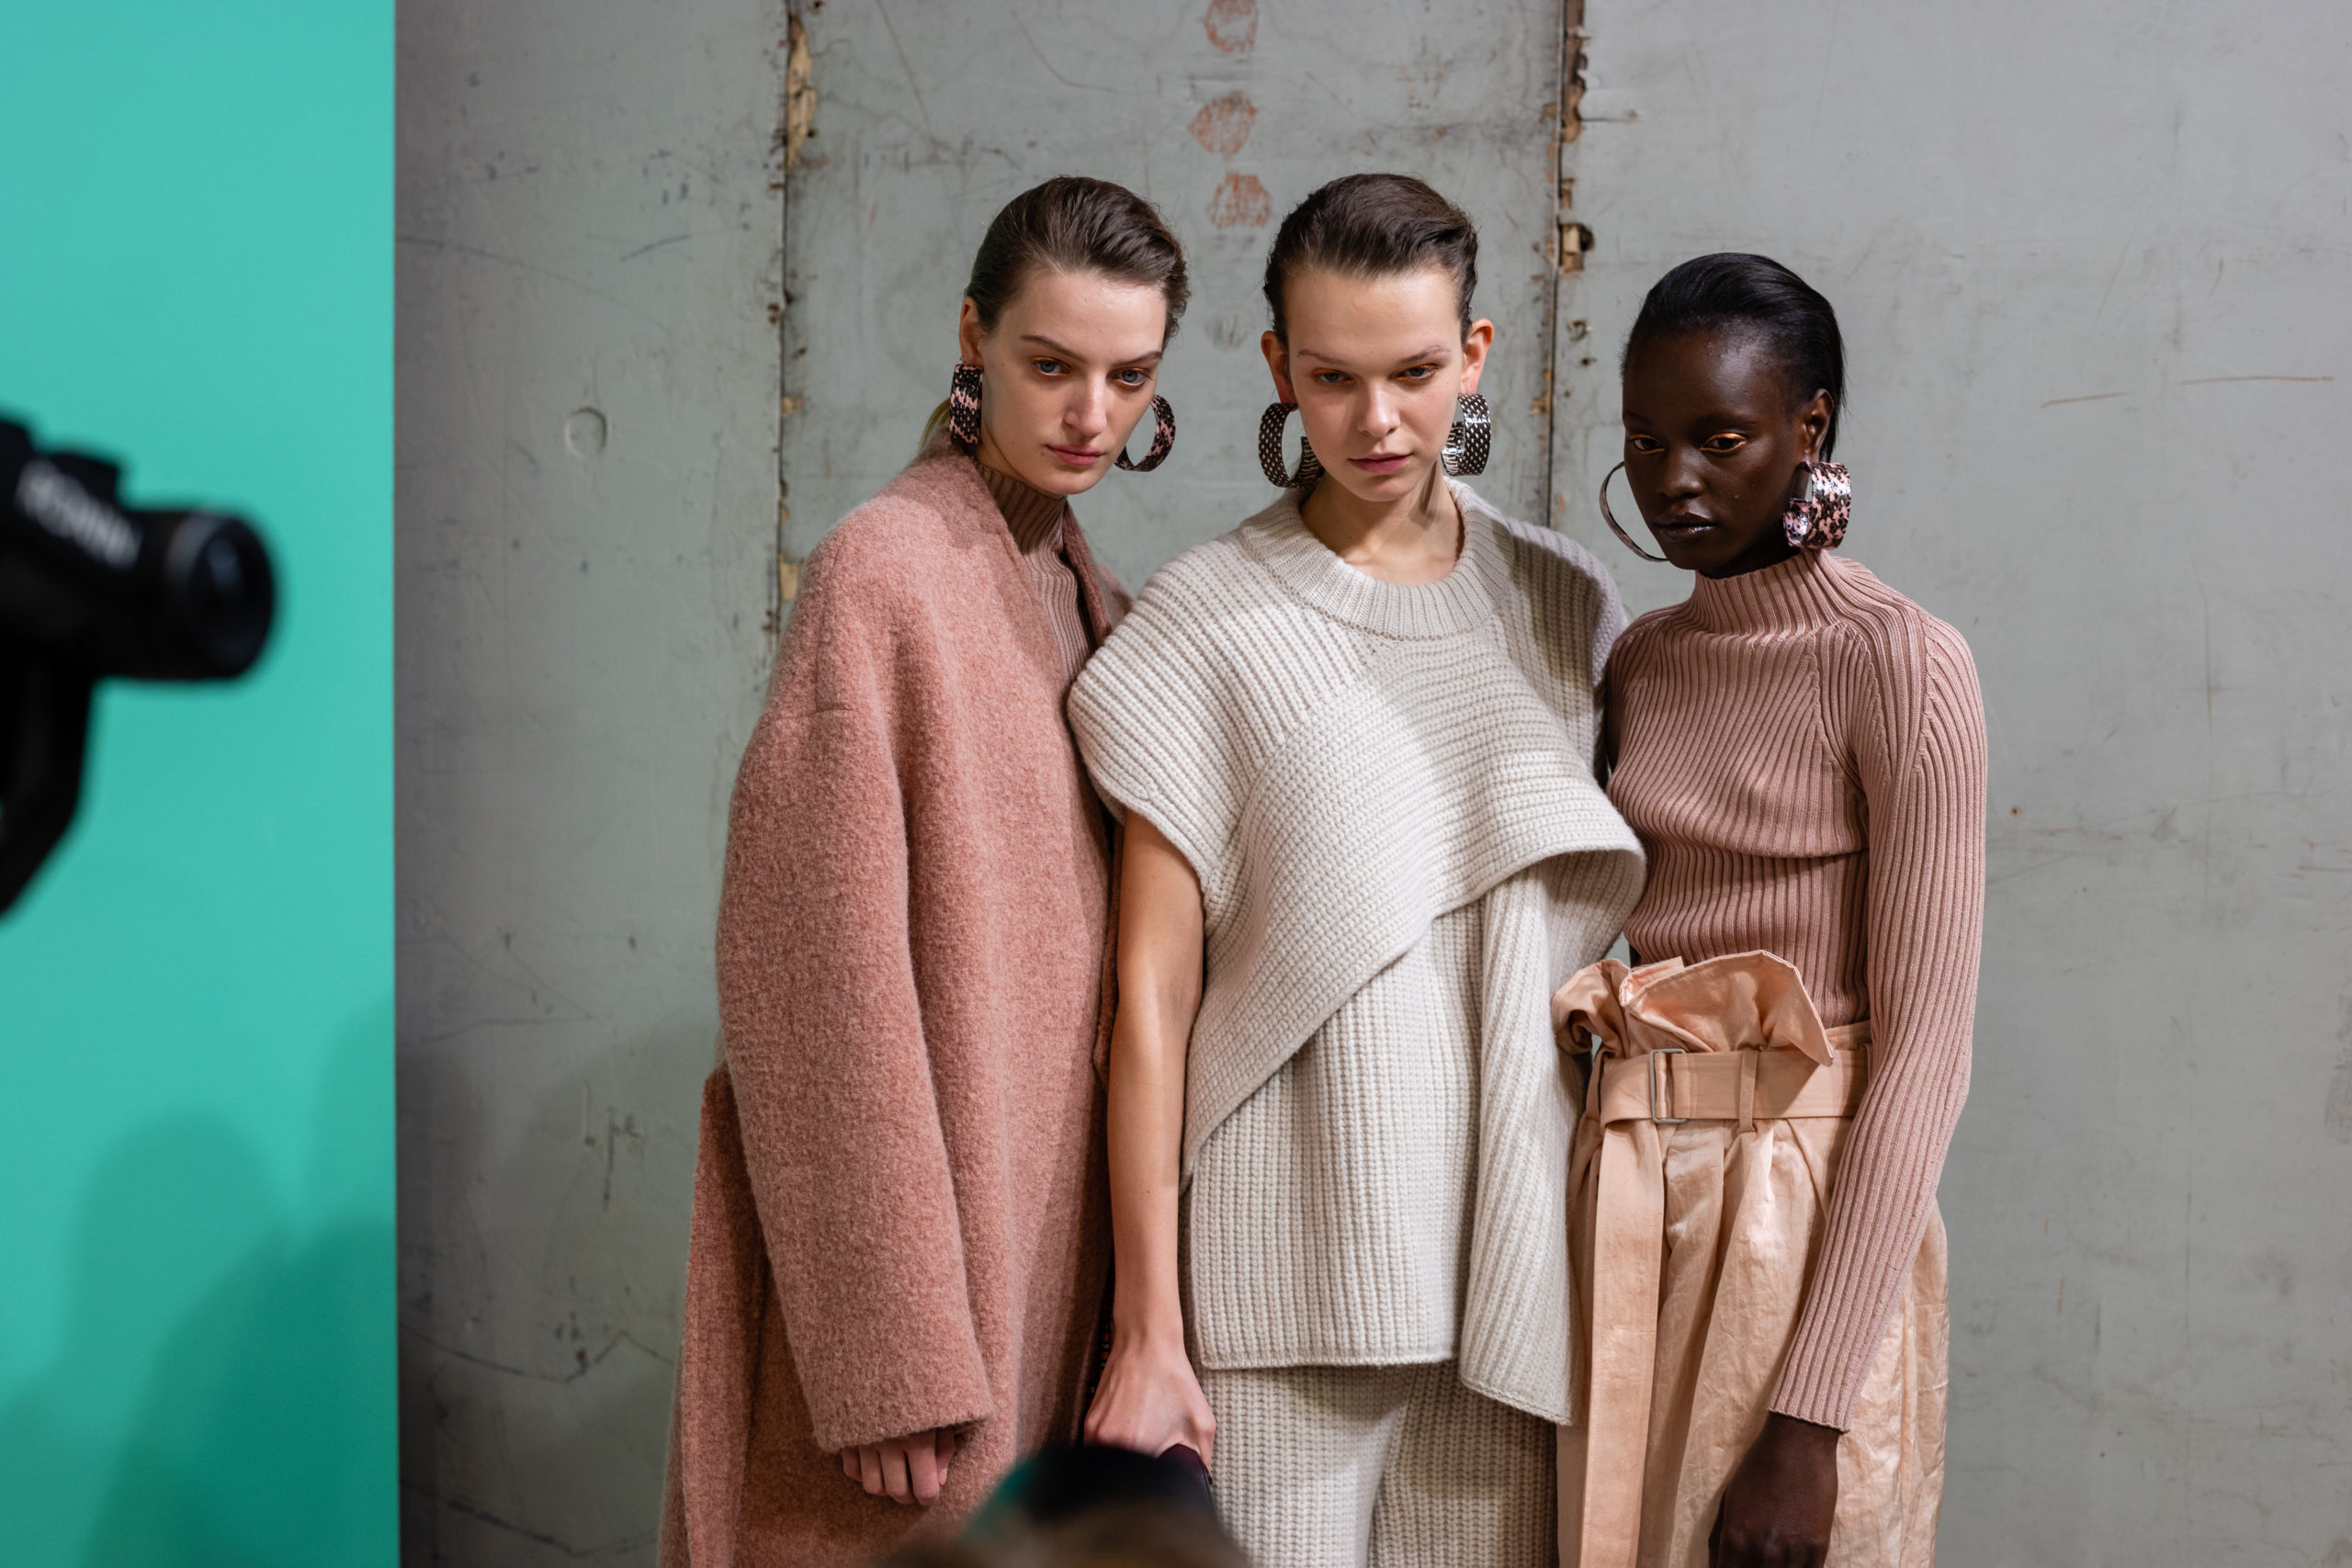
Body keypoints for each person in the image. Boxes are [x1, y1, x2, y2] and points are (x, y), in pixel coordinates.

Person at [1069, 174, 1645, 1568]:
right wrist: (1148, 1330)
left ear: (1476, 354)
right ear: (1279, 367)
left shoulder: (1562, 602)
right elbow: (1148, 1007)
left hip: (1509, 1288)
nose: (1376, 421)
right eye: (1332, 378)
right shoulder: (1207, 620)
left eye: (1415, 373)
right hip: (1272, 1303)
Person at [659, 176, 1189, 1567]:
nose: (1090, 414)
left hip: (1033, 1255)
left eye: (1129, 376)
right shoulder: (883, 573)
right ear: (972, 337)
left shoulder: (1084, 587)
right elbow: (808, 971)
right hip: (923, 1320)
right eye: (1051, 364)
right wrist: (884, 1353)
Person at [1559, 252, 1985, 1567]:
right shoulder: (1642, 661)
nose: (1675, 480)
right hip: (1632, 1202)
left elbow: (1926, 1054)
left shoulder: (1901, 662)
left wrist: (1808, 1421)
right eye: (1645, 440)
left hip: (1806, 1227)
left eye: (1722, 438)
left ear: (1811, 428)